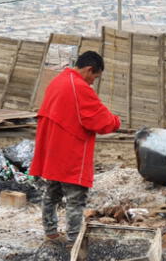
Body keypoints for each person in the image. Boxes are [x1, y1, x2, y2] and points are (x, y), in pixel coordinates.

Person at [29, 51, 121, 243]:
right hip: (70, 153)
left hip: (52, 152)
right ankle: (74, 242)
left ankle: (51, 233)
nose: (92, 82)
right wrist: (116, 122)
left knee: (51, 193)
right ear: (89, 69)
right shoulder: (79, 87)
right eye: (94, 77)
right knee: (75, 199)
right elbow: (100, 121)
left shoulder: (58, 81)